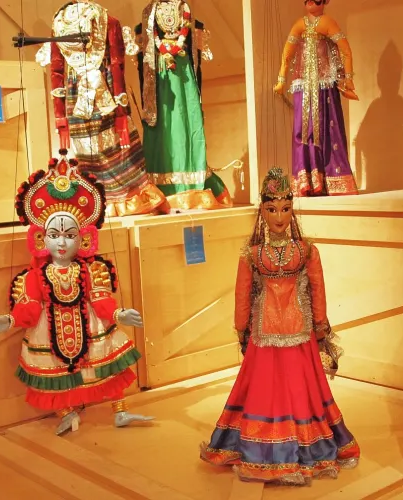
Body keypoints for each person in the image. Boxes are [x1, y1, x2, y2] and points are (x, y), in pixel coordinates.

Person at [199, 167, 359, 485]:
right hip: (283, 335)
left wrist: (243, 331)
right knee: (295, 391)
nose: (279, 216)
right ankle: (296, 448)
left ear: (292, 209)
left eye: (285, 209)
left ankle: (270, 450)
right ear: (262, 210)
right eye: (272, 209)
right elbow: (246, 297)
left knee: (273, 391)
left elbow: (313, 291)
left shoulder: (272, 253)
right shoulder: (292, 252)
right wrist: (319, 328)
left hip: (279, 336)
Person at [0, 153, 154, 435]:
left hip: (90, 326)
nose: (62, 242)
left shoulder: (91, 269)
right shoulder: (35, 276)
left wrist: (118, 314)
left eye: (70, 235)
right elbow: (30, 307)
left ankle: (120, 410)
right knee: (56, 374)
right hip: (48, 332)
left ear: (84, 239)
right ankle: (66, 412)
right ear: (41, 239)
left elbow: (100, 299)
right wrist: (9, 320)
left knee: (108, 365)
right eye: (54, 235)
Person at [37, 0, 169, 217]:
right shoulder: (62, 22)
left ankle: (122, 200)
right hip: (83, 94)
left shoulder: (101, 20)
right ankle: (99, 200)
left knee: (116, 146)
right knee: (87, 152)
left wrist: (120, 111)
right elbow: (58, 70)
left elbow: (115, 64)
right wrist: (60, 117)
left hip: (97, 92)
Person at [132, 0, 234, 210]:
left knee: (186, 121)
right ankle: (162, 188)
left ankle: (191, 186)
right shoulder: (148, 13)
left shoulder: (184, 9)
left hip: (182, 71)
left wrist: (175, 47)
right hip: (160, 74)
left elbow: (194, 52)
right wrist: (164, 50)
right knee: (164, 125)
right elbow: (146, 53)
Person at [274, 0, 359, 197]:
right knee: (303, 132)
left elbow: (345, 51)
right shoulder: (299, 24)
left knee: (326, 131)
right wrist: (281, 80)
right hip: (303, 87)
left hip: (324, 87)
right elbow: (287, 54)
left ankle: (330, 180)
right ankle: (306, 182)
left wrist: (348, 79)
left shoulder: (327, 22)